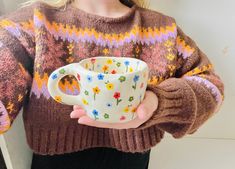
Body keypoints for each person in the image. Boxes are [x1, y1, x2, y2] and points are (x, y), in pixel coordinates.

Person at [0, 0, 225, 169]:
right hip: (52, 161)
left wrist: (159, 101)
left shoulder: (162, 30)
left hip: (132, 161)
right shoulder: (32, 23)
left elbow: (211, 87)